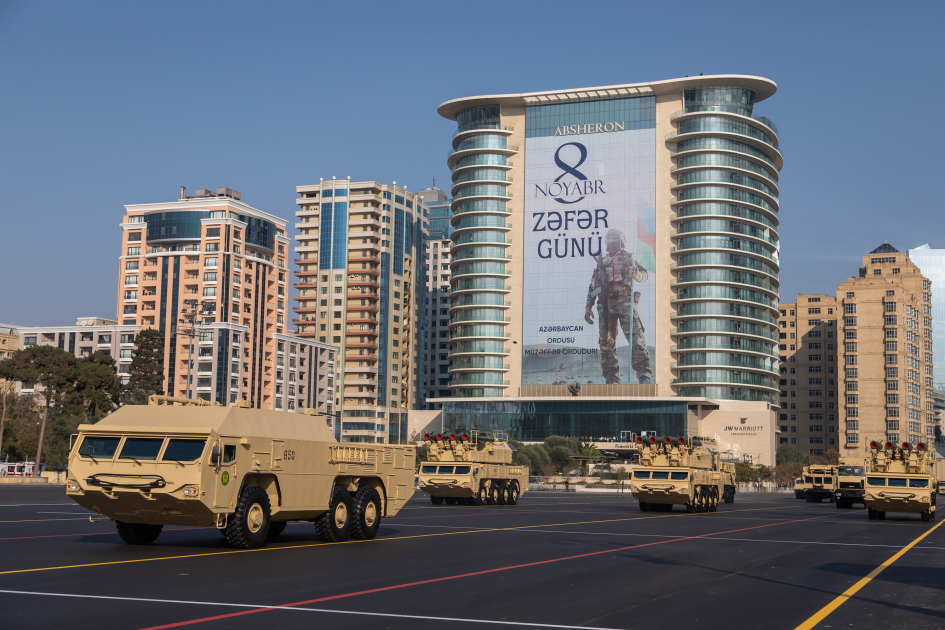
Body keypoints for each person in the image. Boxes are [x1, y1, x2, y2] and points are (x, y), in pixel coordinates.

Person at [585, 228, 654, 384]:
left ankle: (644, 374)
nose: (611, 242)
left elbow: (644, 275)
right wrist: (588, 307)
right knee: (606, 343)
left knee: (636, 339)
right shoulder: (601, 263)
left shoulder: (629, 258)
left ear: (621, 240)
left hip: (625, 302)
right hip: (605, 305)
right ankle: (612, 378)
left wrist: (635, 272)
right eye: (609, 240)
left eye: (614, 239)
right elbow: (592, 287)